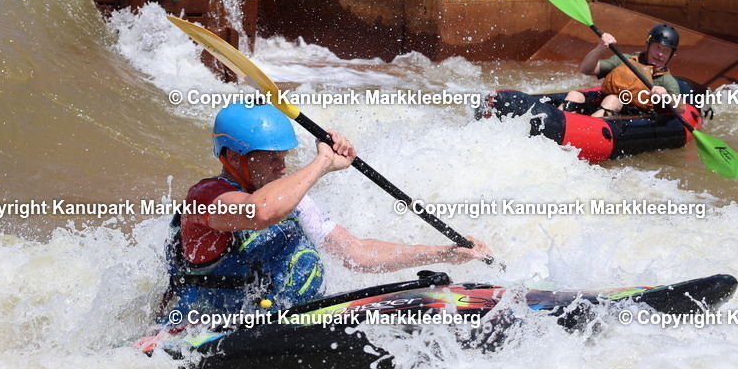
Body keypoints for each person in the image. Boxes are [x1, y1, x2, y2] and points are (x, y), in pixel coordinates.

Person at [161, 102, 491, 321]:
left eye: (285, 155)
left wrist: (445, 253)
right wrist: (323, 162)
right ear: (234, 159)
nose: (282, 165)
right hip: (209, 330)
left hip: (282, 321)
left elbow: (358, 253)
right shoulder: (206, 198)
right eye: (271, 157)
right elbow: (260, 213)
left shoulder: (293, 201)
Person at [560, 24, 683, 118]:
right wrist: (599, 48)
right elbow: (586, 69)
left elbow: (681, 109)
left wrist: (666, 97)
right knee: (574, 95)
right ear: (647, 46)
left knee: (612, 100)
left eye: (666, 51)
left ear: (671, 54)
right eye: (657, 47)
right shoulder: (624, 59)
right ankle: (557, 124)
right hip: (602, 106)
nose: (660, 54)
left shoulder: (666, 79)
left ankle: (583, 132)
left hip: (628, 116)